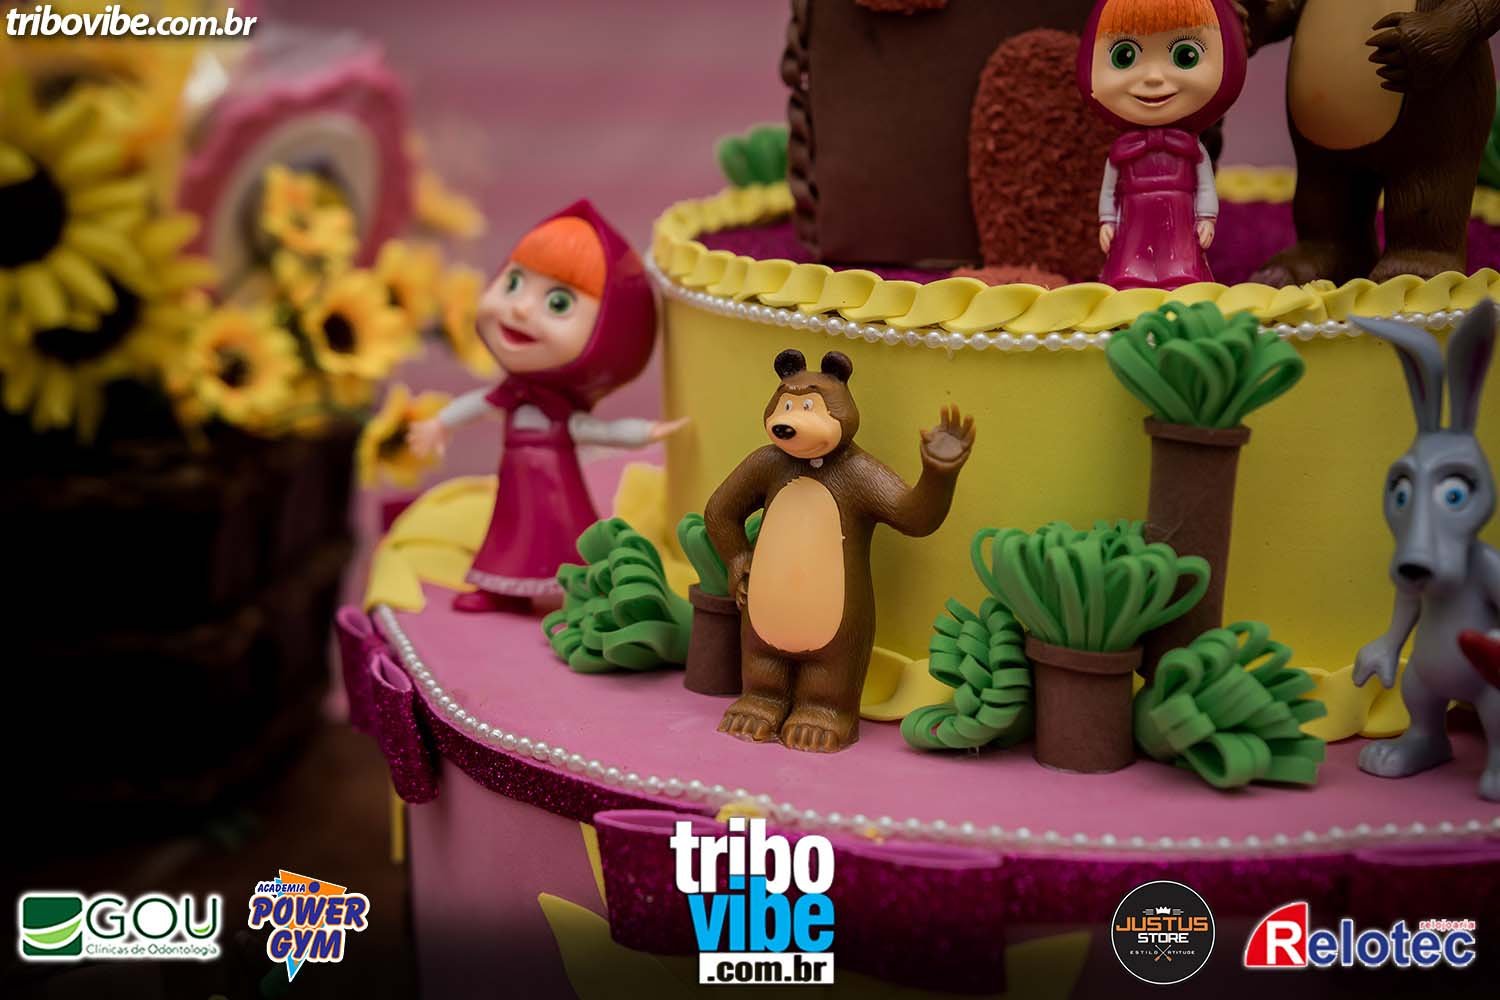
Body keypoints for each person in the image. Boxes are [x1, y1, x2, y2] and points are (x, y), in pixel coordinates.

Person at [409, 200, 686, 613]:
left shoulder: (557, 408)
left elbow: (598, 432)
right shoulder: (514, 393)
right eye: (513, 283)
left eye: (558, 303)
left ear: (606, 332)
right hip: (515, 485)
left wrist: (645, 433)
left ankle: (583, 587)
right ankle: (501, 587)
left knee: (568, 537)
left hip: (558, 487)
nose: (520, 309)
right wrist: (439, 425)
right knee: (509, 533)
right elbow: (476, 404)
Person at [1079, 0, 1247, 289]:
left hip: (1179, 220)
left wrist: (1206, 217)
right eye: (1124, 57)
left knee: (1181, 268)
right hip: (1134, 220)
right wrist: (1108, 221)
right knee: (1130, 268)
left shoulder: (1192, 148)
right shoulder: (1122, 151)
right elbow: (1108, 189)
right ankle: (1131, 279)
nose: (1154, 78)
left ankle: (1180, 278)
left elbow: (1205, 187)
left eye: (1185, 56)